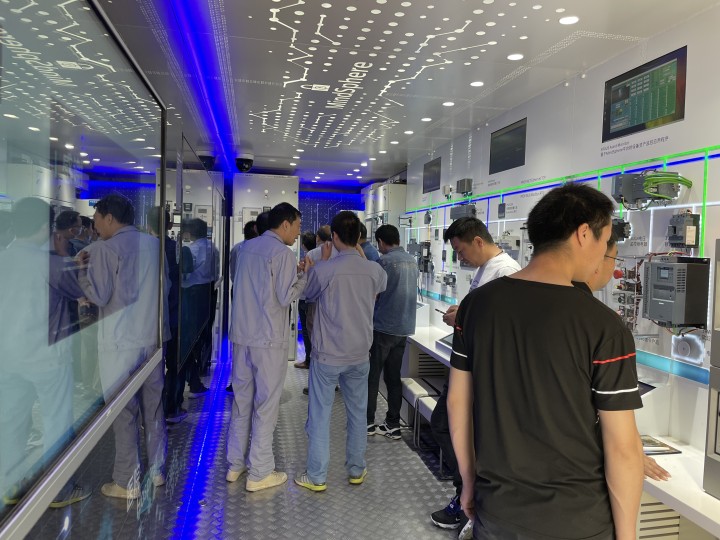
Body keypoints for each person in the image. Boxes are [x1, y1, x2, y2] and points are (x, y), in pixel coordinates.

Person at [448, 183, 644, 540]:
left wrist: (469, 481)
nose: (602, 255)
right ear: (583, 234)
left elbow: (459, 401)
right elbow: (623, 448)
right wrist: (627, 535)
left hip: (497, 511)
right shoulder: (603, 326)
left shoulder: (477, 306)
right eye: (604, 242)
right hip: (577, 520)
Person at [429, 217, 521, 534]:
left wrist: (462, 317)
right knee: (445, 427)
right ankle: (466, 494)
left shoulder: (506, 272)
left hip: (483, 374)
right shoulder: (486, 270)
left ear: (478, 241)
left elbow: (502, 327)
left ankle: (469, 499)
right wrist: (463, 313)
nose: (460, 258)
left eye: (461, 250)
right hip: (469, 368)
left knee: (449, 428)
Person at [0, 198, 90, 508]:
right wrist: (75, 263)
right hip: (47, 357)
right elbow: (80, 290)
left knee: (11, 422)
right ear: (44, 227)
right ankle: (58, 490)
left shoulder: (3, 258)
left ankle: (11, 484)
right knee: (56, 421)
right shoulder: (51, 264)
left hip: (9, 356)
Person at [79, 194, 168, 499]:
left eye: (96, 219)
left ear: (109, 218)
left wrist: (82, 274)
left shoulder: (105, 249)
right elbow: (166, 288)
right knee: (153, 409)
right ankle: (157, 470)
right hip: (153, 339)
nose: (94, 225)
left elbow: (100, 296)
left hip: (119, 342)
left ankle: (127, 480)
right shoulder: (154, 245)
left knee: (123, 413)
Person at [295, 211, 387, 492]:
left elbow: (307, 294)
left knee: (320, 415)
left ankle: (317, 476)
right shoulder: (375, 270)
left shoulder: (325, 269)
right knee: (358, 414)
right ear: (359, 237)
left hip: (328, 355)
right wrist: (360, 257)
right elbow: (378, 288)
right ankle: (356, 470)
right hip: (360, 354)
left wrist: (320, 263)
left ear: (333, 237)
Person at [226, 202, 307, 492]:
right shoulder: (282, 253)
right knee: (266, 405)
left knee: (241, 402)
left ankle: (235, 464)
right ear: (285, 224)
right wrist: (304, 276)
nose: (298, 232)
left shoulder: (243, 249)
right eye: (297, 226)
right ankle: (260, 472)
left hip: (241, 336)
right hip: (269, 339)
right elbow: (285, 297)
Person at [581, 234, 672, 483]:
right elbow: (618, 435)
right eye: (614, 259)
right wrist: (632, 452)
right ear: (597, 259)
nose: (614, 268)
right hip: (577, 477)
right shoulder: (607, 326)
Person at [366, 224, 419, 439]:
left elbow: (374, 294)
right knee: (393, 376)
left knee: (372, 375)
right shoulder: (412, 261)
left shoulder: (384, 262)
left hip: (383, 326)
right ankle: (393, 424)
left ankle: (368, 423)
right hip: (403, 328)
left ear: (380, 241)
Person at [147, 207, 187, 424]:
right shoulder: (176, 249)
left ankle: (152, 414)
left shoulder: (144, 250)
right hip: (174, 315)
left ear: (148, 224)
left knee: (151, 371)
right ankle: (172, 407)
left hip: (149, 320)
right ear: (170, 225)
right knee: (174, 364)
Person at [295, 231, 317, 370]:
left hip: (305, 298)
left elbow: (303, 277)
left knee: (306, 331)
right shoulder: (320, 256)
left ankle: (308, 360)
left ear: (303, 245)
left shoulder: (308, 257)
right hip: (315, 299)